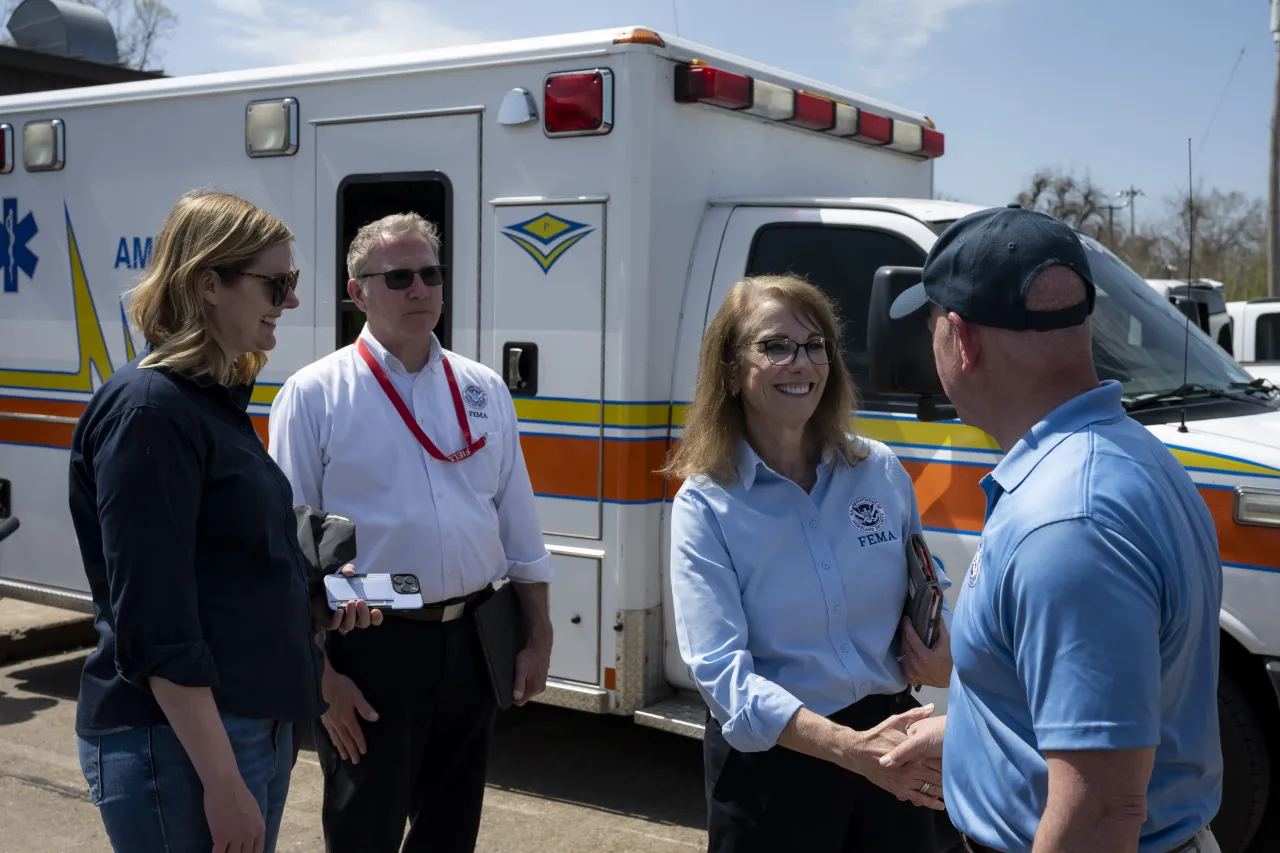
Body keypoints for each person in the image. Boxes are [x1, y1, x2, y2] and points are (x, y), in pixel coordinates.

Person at [880, 204, 1225, 853]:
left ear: (962, 340)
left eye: (929, 324)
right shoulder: (1122, 457)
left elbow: (1100, 810)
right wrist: (973, 734)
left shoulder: (1067, 520)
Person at [68, 189, 381, 853]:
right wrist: (222, 780)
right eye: (277, 283)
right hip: (178, 741)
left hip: (243, 723)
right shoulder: (150, 412)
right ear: (210, 284)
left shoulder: (207, 404)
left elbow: (230, 555)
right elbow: (157, 621)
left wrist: (318, 591)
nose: (291, 300)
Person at [267, 211, 554, 853]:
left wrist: (537, 632)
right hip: (371, 642)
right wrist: (321, 680)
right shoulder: (314, 394)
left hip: (475, 640)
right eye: (399, 277)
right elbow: (289, 547)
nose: (420, 289)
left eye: (431, 274)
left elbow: (518, 520)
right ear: (356, 292)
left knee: (451, 832)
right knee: (365, 828)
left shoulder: (481, 388)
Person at [665, 273, 956, 853]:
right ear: (729, 368)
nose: (802, 363)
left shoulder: (879, 469)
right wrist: (849, 749)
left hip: (892, 743)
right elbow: (723, 675)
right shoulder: (706, 503)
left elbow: (925, 591)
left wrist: (943, 654)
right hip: (776, 765)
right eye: (775, 346)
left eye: (815, 344)